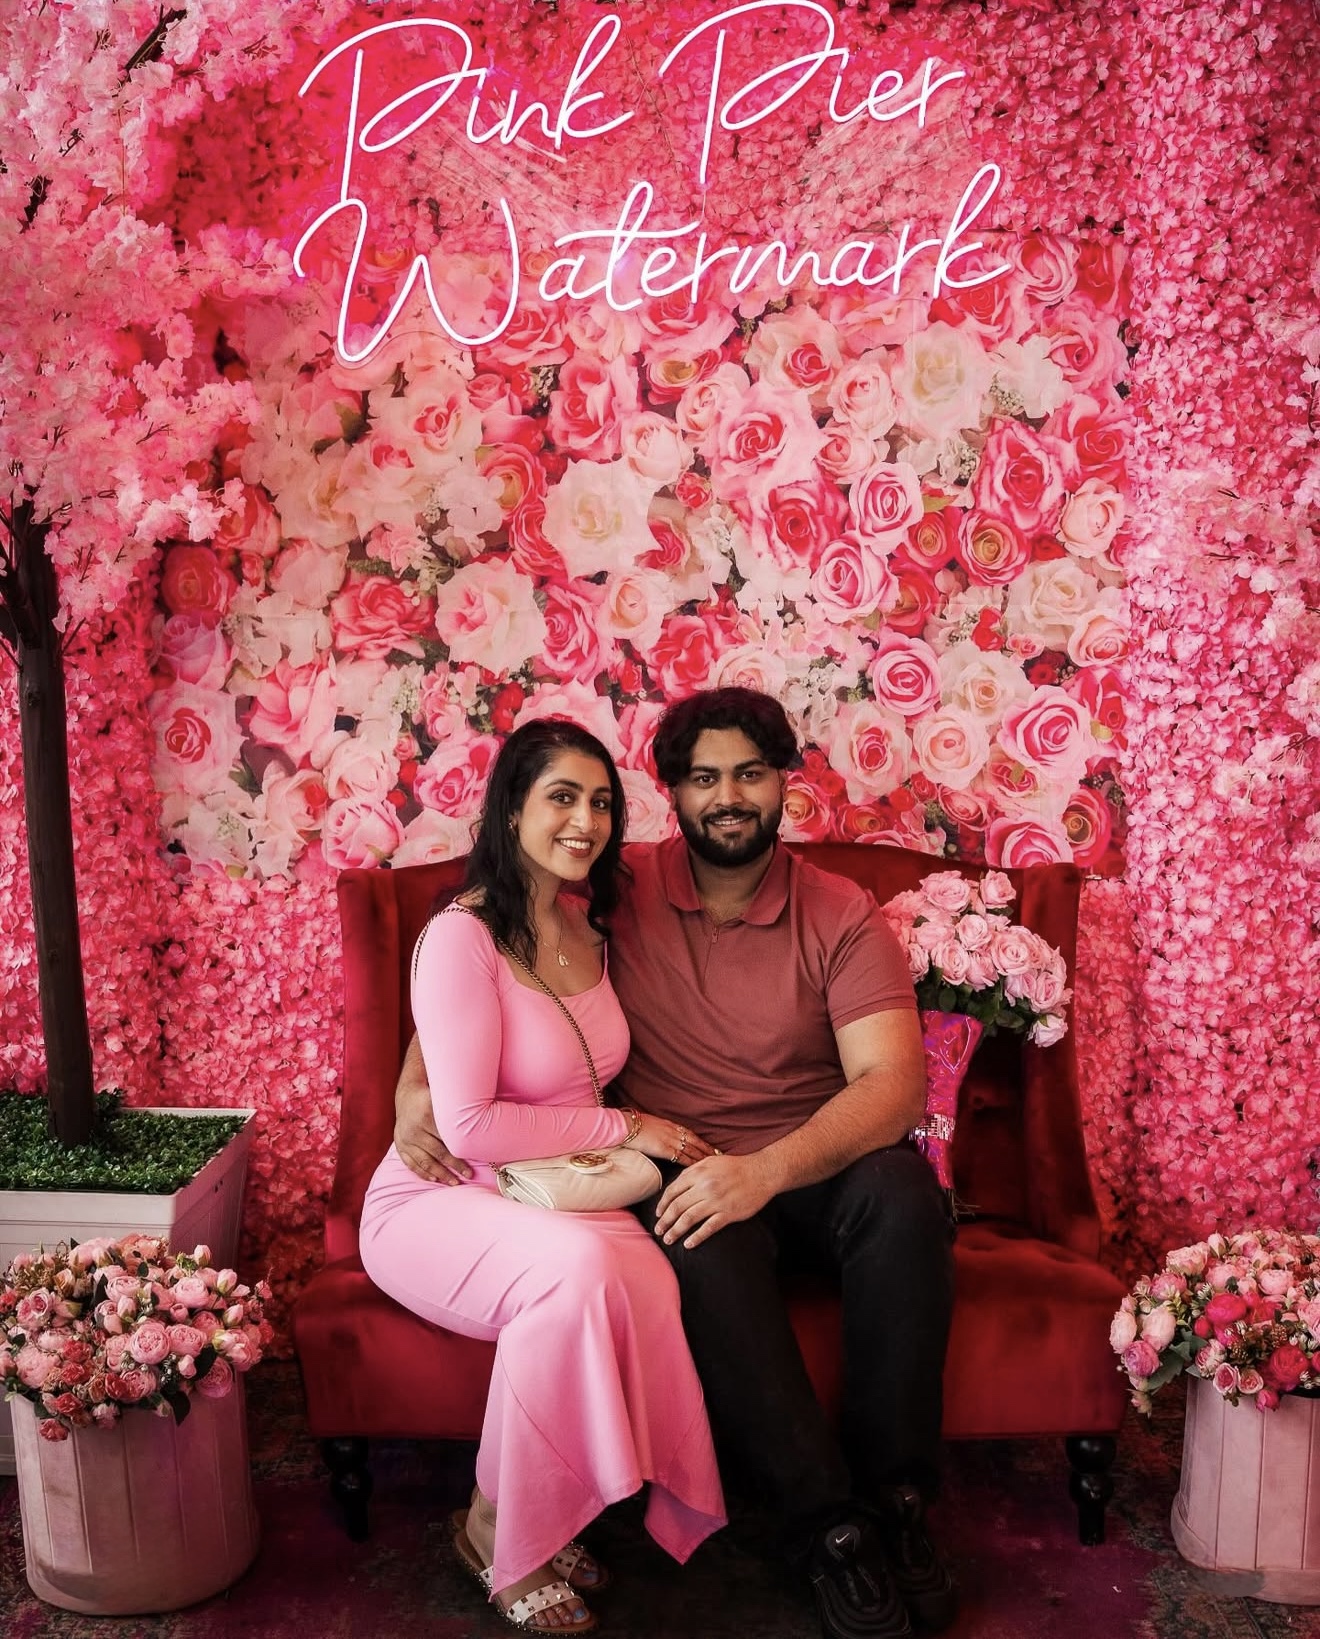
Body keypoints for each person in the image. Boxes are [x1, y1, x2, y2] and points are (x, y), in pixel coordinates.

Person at [394, 689, 957, 1639]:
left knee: (905, 1193)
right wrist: (416, 1090)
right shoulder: (620, 890)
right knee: (694, 1238)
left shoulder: (841, 912)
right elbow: (491, 956)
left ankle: (897, 1500)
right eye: (704, 777)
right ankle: (828, 1532)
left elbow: (895, 1088)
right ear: (672, 793)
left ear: (786, 784)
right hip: (690, 1174)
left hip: (811, 1166)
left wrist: (766, 1170)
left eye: (748, 773)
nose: (727, 795)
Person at [360, 718, 726, 1635]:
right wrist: (629, 1123)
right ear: (512, 807)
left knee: (642, 1273)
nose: (586, 820)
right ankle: (499, 1533)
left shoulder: (590, 919)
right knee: (575, 1278)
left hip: (562, 1185)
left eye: (601, 802)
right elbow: (469, 1120)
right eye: (562, 796)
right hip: (445, 1190)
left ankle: (546, 1509)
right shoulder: (461, 934)